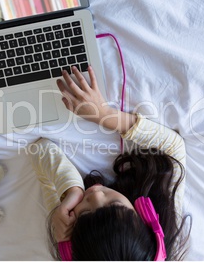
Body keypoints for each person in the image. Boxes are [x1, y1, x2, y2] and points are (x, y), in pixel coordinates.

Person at [29, 66, 191, 260]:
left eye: (86, 212)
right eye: (115, 204)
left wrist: (70, 191)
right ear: (144, 216)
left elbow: (40, 150)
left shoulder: (67, 227)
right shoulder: (166, 225)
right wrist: (103, 114)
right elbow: (173, 148)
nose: (96, 194)